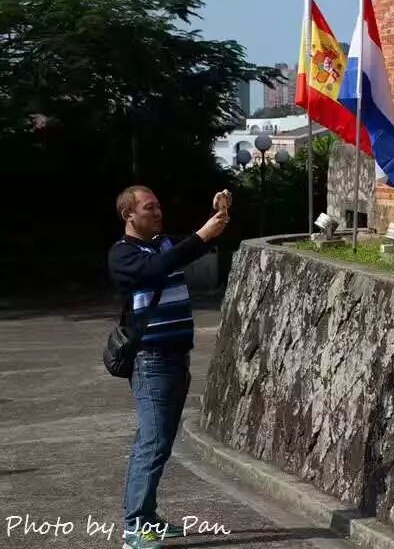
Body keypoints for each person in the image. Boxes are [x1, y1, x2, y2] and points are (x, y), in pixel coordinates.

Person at [109, 186, 231, 549]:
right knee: (152, 443)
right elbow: (156, 270)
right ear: (128, 215)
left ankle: (147, 517)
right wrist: (201, 235)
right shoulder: (124, 254)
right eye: (149, 207)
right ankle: (134, 528)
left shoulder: (163, 244)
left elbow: (190, 248)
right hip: (151, 362)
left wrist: (220, 216)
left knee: (158, 443)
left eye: (159, 205)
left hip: (177, 358)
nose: (158, 212)